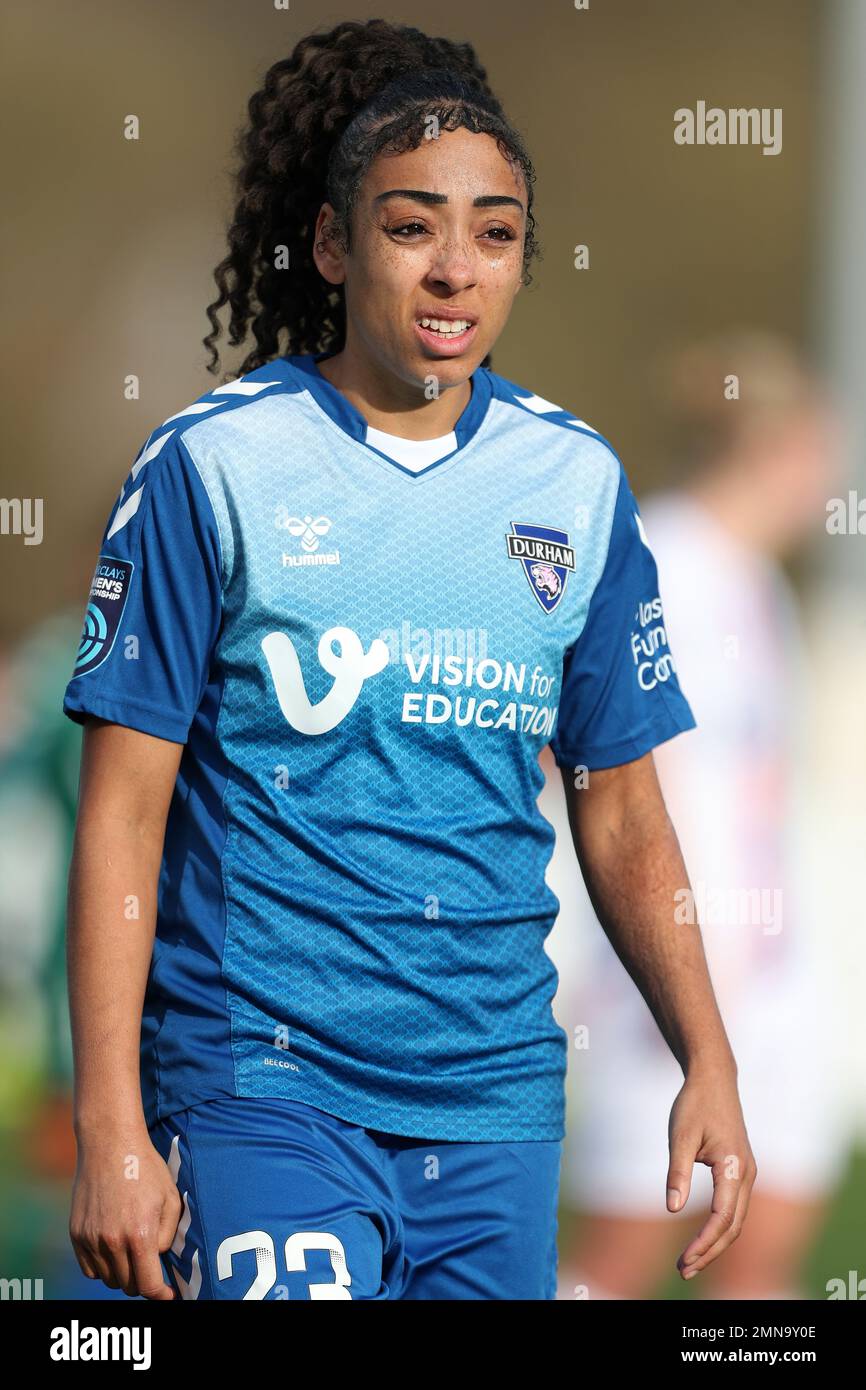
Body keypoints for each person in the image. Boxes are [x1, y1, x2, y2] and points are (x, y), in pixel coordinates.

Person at [62, 18, 752, 1302]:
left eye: (492, 233)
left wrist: (703, 1057)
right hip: (262, 1087)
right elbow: (122, 813)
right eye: (409, 225)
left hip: (494, 1102)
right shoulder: (214, 468)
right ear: (331, 245)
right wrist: (110, 1121)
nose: (453, 270)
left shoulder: (575, 486)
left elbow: (619, 807)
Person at [555, 331, 849, 1299]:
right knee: (623, 1254)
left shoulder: (760, 585)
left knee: (766, 1247)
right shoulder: (659, 560)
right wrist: (664, 965)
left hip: (768, 983)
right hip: (669, 983)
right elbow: (607, 772)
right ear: (777, 444)